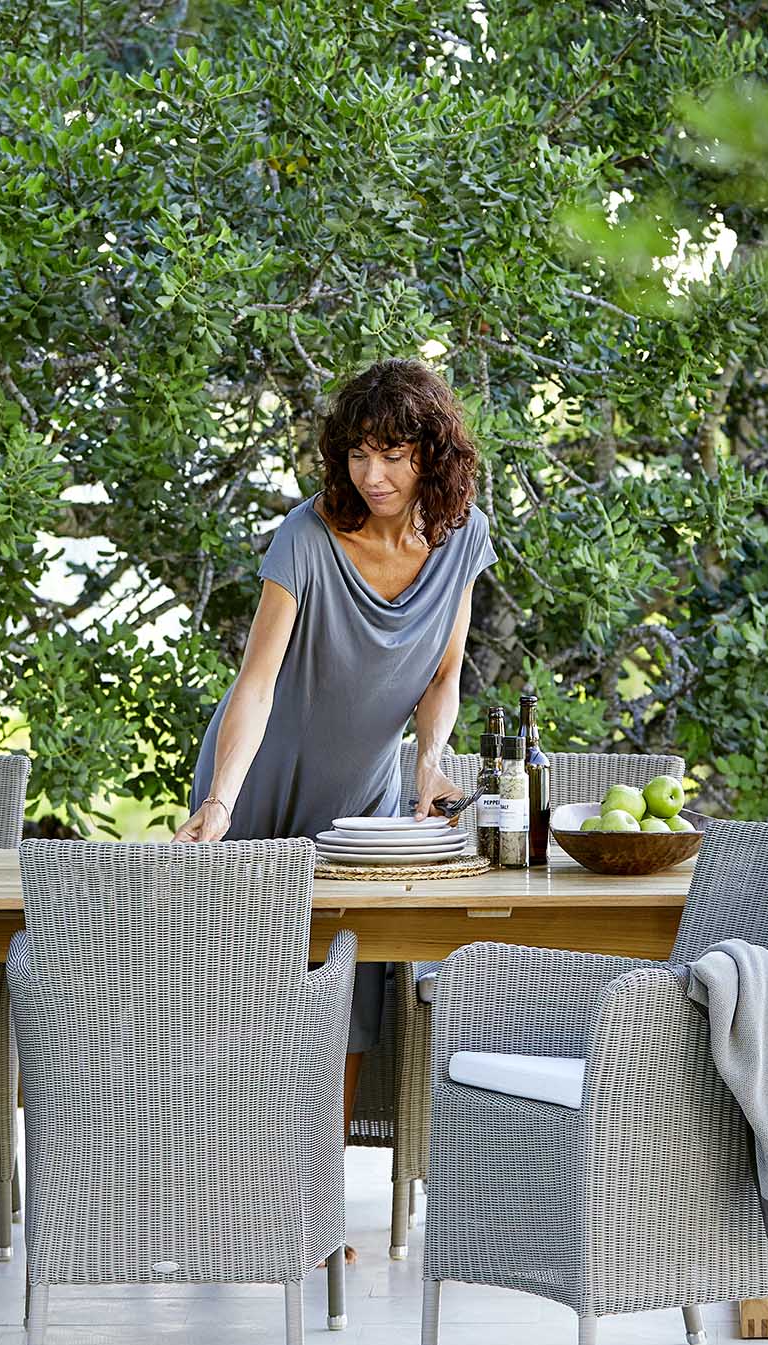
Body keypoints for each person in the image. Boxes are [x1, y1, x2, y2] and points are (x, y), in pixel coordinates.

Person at [174, 358, 496, 1249]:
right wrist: (221, 802)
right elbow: (256, 682)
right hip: (257, 787)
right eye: (358, 453)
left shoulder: (463, 538)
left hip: (364, 805)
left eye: (393, 454)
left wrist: (431, 766)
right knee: (238, 997)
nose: (373, 475)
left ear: (433, 455)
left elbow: (442, 677)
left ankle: (314, 1213)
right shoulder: (308, 534)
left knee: (347, 998)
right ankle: (227, 1200)